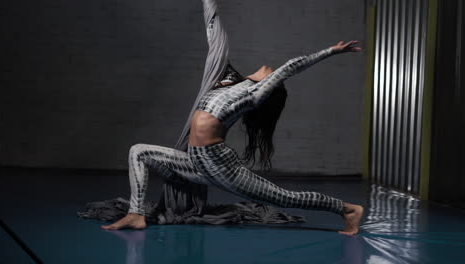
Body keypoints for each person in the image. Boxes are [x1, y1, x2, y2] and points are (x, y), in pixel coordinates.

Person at [101, 0, 364, 235]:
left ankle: (348, 210)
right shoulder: (226, 81)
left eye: (270, 76)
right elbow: (213, 32)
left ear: (268, 88)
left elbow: (289, 68)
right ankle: (135, 215)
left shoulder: (251, 96)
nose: (268, 68)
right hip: (195, 162)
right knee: (139, 151)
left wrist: (329, 52)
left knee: (283, 198)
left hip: (221, 167)